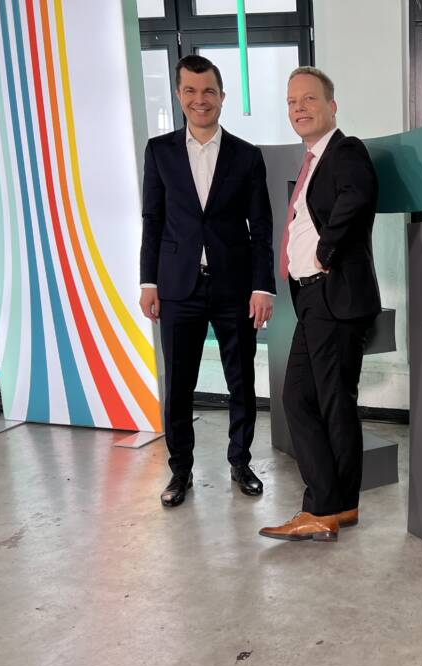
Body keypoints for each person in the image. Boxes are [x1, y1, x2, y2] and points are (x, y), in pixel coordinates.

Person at [139, 55, 274, 508]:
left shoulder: (246, 155)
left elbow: (262, 226)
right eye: (191, 91)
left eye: (209, 91)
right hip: (178, 287)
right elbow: (153, 221)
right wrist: (148, 281)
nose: (201, 100)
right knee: (179, 384)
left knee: (241, 381)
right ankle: (180, 470)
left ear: (221, 96)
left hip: (234, 287)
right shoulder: (159, 151)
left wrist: (262, 287)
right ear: (179, 95)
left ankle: (240, 462)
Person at [258, 66, 381, 543]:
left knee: (311, 399)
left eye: (309, 99)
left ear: (332, 105)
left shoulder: (345, 151)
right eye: (292, 102)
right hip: (317, 300)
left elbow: (357, 196)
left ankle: (323, 507)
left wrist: (325, 253)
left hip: (332, 297)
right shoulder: (314, 160)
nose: (299, 108)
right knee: (325, 401)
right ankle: (340, 505)